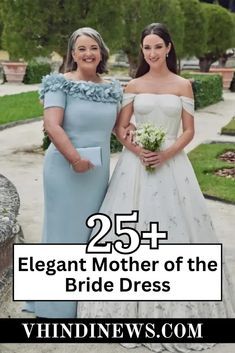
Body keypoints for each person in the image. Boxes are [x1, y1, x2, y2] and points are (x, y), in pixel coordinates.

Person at [77, 23, 235, 352]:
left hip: (173, 164)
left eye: (157, 47)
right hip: (135, 166)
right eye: (146, 48)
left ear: (168, 47)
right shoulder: (133, 84)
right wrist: (138, 151)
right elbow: (121, 129)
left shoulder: (184, 85)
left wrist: (165, 154)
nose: (151, 53)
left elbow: (189, 131)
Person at [23, 27, 122, 318]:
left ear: (102, 52)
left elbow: (119, 130)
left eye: (93, 47)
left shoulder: (113, 88)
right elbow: (53, 126)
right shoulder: (59, 84)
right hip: (65, 169)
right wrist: (75, 159)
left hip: (97, 172)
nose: (88, 53)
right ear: (73, 54)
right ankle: (54, 307)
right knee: (62, 233)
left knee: (88, 234)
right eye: (81, 49)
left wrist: (148, 145)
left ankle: (83, 303)